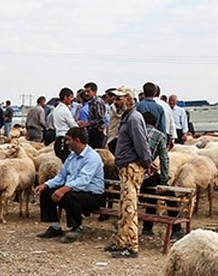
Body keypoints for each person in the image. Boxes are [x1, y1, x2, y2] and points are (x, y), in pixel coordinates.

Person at [34, 126, 105, 241]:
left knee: (70, 196)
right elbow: (61, 176)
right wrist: (46, 185)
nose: (66, 143)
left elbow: (83, 180)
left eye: (68, 140)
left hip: (93, 195)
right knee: (47, 192)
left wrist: (63, 189)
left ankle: (76, 227)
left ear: (77, 140)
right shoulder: (72, 157)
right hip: (76, 191)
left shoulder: (92, 157)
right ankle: (55, 227)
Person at [108, 87, 151, 259]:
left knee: (130, 206)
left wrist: (146, 162)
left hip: (131, 166)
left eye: (119, 99)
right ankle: (122, 241)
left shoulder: (133, 118)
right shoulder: (128, 118)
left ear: (128, 99)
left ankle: (131, 246)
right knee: (125, 205)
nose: (115, 102)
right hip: (126, 166)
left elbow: (141, 143)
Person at [50, 88, 78, 160]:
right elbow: (74, 126)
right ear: (65, 97)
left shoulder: (56, 109)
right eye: (71, 97)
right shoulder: (65, 110)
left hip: (58, 139)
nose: (72, 99)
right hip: (64, 140)